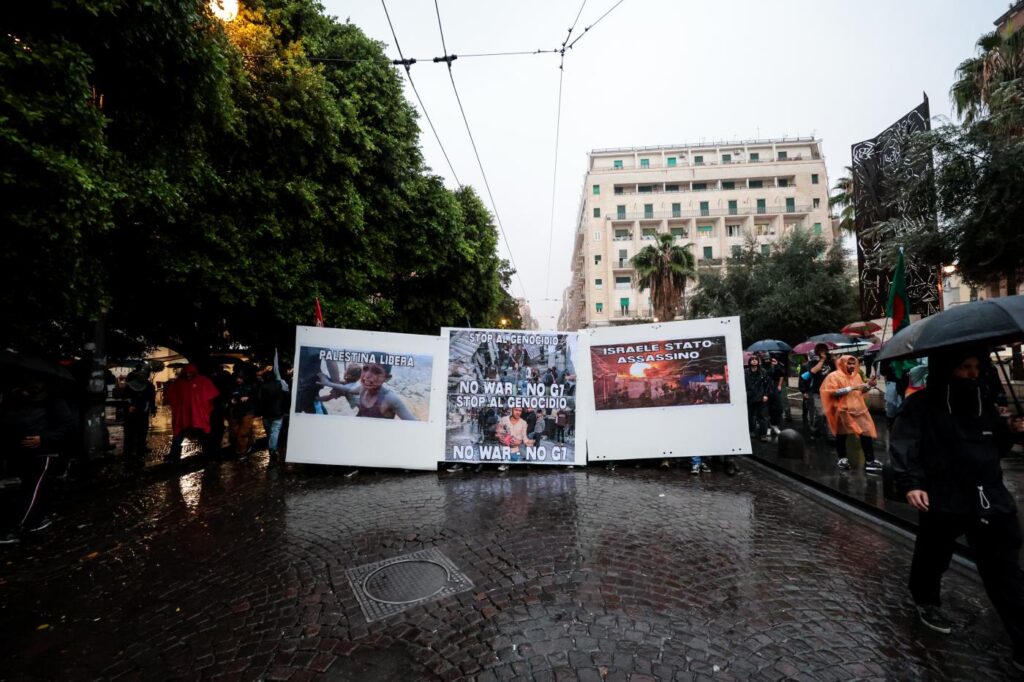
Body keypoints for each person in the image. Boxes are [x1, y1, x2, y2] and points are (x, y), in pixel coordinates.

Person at [890, 347, 1024, 669]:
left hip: (988, 498)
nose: (972, 374)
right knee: (933, 554)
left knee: (1004, 571)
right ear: (948, 368)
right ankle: (926, 599)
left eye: (976, 367)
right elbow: (905, 442)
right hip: (944, 496)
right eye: (965, 367)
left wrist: (1010, 429)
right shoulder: (921, 405)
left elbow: (994, 447)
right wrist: (912, 483)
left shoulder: (983, 403)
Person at [0, 376, 75, 542]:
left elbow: (66, 426)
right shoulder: (17, 397)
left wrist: (44, 439)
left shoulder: (54, 400)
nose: (34, 384)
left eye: (38, 381)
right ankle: (38, 519)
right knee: (32, 487)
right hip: (21, 452)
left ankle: (17, 527)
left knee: (32, 489)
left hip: (45, 452)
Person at [820, 355, 881, 472]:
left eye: (854, 363)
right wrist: (852, 388)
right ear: (842, 363)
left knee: (866, 432)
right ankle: (842, 458)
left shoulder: (856, 375)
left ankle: (870, 460)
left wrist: (869, 385)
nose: (852, 366)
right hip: (843, 411)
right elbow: (832, 392)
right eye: (849, 363)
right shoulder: (833, 376)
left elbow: (861, 390)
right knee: (842, 435)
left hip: (859, 410)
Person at [317, 363, 416, 420]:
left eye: (376, 372)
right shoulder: (363, 388)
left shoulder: (390, 399)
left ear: (387, 378)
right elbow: (348, 389)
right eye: (365, 369)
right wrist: (328, 383)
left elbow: (415, 424)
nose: (367, 376)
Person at [164, 364, 219, 460]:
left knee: (203, 434)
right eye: (186, 373)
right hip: (184, 414)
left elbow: (211, 396)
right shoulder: (178, 383)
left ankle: (209, 453)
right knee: (179, 434)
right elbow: (172, 396)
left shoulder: (202, 381)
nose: (188, 375)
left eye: (190, 373)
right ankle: (174, 454)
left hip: (197, 414)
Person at [801, 344, 836, 440]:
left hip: (830, 391)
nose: (823, 352)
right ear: (817, 352)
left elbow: (838, 372)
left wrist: (834, 359)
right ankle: (815, 430)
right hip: (818, 392)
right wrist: (822, 360)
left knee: (830, 413)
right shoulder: (813, 362)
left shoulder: (830, 362)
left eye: (824, 350)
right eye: (820, 350)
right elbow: (812, 372)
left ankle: (830, 435)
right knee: (820, 414)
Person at [122, 370, 156, 458]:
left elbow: (151, 399)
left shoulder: (148, 386)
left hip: (141, 411)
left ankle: (137, 449)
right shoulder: (131, 386)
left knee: (139, 431)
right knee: (135, 431)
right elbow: (125, 398)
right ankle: (132, 450)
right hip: (135, 412)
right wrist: (129, 406)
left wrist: (153, 409)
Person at [258, 369, 290, 461]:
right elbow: (287, 397)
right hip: (278, 412)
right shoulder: (280, 385)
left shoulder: (262, 386)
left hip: (266, 414)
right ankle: (272, 449)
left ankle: (272, 448)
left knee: (269, 432)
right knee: (275, 431)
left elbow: (259, 399)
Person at [227, 369, 258, 456]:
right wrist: (231, 401)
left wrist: (248, 398)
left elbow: (257, 397)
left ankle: (241, 452)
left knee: (242, 433)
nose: (238, 380)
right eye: (237, 378)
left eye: (240, 378)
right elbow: (228, 397)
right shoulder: (232, 387)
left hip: (248, 411)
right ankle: (250, 442)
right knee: (234, 433)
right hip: (236, 412)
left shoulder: (251, 386)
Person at [495, 406, 534, 471]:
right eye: (516, 410)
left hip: (515, 451)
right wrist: (499, 437)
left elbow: (524, 438)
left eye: (520, 411)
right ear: (512, 410)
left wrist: (521, 442)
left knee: (522, 463)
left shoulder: (523, 423)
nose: (518, 412)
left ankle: (509, 463)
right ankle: (505, 463)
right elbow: (497, 433)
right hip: (504, 450)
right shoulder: (504, 419)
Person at [745, 355, 771, 442]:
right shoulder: (745, 372)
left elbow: (767, 384)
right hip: (749, 397)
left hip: (761, 397)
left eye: (756, 359)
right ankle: (751, 431)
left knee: (762, 416)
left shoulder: (763, 372)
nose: (754, 361)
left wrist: (766, 395)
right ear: (749, 361)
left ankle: (763, 434)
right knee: (750, 415)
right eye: (752, 359)